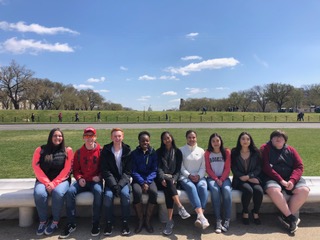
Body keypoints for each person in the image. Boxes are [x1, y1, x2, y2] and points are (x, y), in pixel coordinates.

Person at [260, 130, 310, 233]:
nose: (278, 139)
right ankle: (291, 218)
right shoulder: (265, 148)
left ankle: (286, 217)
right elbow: (266, 167)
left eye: (281, 137)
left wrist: (292, 180)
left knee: (304, 190)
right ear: (271, 139)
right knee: (273, 190)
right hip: (272, 178)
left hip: (290, 177)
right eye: (275, 137)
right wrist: (280, 180)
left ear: (285, 141)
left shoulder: (291, 150)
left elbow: (299, 166)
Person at [59, 127, 103, 238]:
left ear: (95, 137)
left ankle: (96, 222)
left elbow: (105, 168)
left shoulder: (101, 151)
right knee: (70, 192)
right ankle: (71, 223)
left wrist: (99, 176)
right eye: (87, 136)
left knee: (98, 192)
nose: (89, 138)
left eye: (91, 136)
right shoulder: (78, 152)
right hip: (82, 181)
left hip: (95, 181)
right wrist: (79, 178)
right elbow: (76, 169)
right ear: (83, 138)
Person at [32, 128, 73, 236]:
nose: (57, 138)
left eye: (60, 136)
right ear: (50, 137)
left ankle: (55, 221)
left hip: (62, 180)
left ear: (62, 138)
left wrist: (54, 183)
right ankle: (43, 221)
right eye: (55, 135)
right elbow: (36, 168)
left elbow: (67, 169)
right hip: (43, 180)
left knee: (58, 193)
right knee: (40, 194)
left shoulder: (67, 150)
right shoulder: (40, 150)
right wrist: (47, 182)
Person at [156, 131, 191, 236]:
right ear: (162, 141)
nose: (167, 140)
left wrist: (175, 179)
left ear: (172, 138)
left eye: (168, 137)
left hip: (172, 180)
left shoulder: (177, 152)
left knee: (169, 188)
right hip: (160, 180)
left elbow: (178, 170)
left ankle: (169, 221)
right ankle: (180, 207)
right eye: (164, 138)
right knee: (168, 183)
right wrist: (162, 178)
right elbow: (158, 168)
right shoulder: (158, 152)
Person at [100, 128, 132, 236]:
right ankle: (109, 223)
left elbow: (128, 171)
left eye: (119, 136)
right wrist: (114, 185)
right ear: (111, 137)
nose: (117, 138)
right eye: (115, 136)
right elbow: (105, 170)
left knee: (125, 195)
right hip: (111, 181)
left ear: (122, 137)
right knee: (108, 196)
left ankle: (125, 222)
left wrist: (120, 185)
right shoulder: (106, 150)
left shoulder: (127, 150)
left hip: (123, 180)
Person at [231, 132, 263, 226]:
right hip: (239, 180)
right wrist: (243, 177)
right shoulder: (235, 152)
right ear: (239, 140)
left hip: (253, 178)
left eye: (247, 139)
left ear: (250, 141)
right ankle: (245, 212)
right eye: (243, 139)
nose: (245, 141)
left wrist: (249, 177)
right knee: (248, 190)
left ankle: (255, 212)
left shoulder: (256, 152)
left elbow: (258, 168)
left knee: (259, 190)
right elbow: (233, 168)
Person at [179, 130, 209, 230]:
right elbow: (181, 167)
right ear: (186, 138)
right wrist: (189, 175)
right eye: (189, 137)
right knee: (191, 187)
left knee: (202, 187)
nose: (192, 139)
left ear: (196, 138)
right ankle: (202, 216)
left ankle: (200, 216)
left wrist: (199, 176)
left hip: (199, 177)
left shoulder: (201, 151)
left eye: (193, 137)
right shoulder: (181, 150)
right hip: (185, 177)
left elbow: (203, 167)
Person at [131, 131, 158, 233]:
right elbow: (133, 171)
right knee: (137, 192)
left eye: (147, 141)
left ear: (149, 141)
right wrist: (142, 182)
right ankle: (140, 220)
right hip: (138, 180)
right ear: (139, 141)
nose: (145, 143)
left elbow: (154, 170)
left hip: (149, 179)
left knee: (154, 193)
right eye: (143, 141)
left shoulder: (153, 153)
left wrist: (147, 182)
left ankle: (147, 220)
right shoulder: (134, 154)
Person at [204, 133, 232, 233]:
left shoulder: (227, 152)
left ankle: (227, 219)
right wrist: (216, 179)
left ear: (221, 141)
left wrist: (222, 179)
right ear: (210, 143)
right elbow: (208, 168)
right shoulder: (207, 153)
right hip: (212, 178)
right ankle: (218, 219)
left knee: (226, 190)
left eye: (217, 141)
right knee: (215, 190)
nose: (216, 143)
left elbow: (227, 168)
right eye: (213, 141)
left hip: (224, 178)